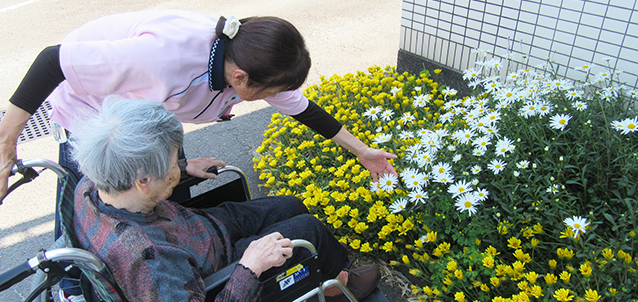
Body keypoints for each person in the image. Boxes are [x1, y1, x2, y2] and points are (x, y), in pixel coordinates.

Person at [0, 10, 397, 199]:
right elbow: (53, 60)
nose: (274, 98)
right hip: (92, 109)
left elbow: (305, 110)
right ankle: (72, 286)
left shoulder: (246, 62)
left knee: (168, 193)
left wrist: (364, 152)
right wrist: (6, 146)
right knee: (95, 203)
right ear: (241, 78)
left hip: (149, 114)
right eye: (269, 91)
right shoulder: (163, 58)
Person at [67, 97, 381, 302]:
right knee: (308, 229)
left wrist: (183, 168)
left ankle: (326, 274)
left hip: (197, 230)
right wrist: (249, 267)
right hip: (218, 273)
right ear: (144, 181)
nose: (178, 168)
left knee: (289, 205)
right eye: (173, 163)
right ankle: (340, 287)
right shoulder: (150, 261)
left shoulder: (93, 183)